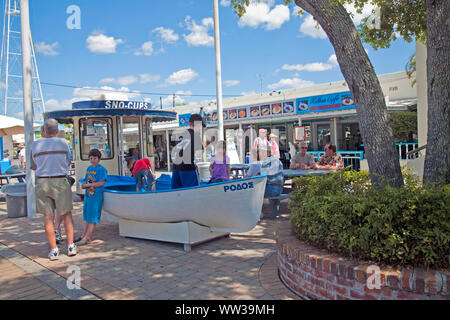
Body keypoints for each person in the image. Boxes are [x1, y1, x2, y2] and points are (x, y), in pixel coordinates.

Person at [30, 118, 77, 260]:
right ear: (57, 131)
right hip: (60, 181)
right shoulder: (64, 143)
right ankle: (70, 246)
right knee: (66, 214)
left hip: (43, 182)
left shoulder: (35, 145)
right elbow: (68, 162)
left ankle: (54, 250)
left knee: (47, 217)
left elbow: (34, 165)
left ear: (43, 130)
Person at [75, 149, 107, 245]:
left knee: (93, 217)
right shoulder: (89, 169)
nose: (93, 160)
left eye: (95, 158)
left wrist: (88, 185)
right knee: (88, 216)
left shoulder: (101, 169)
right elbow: (87, 180)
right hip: (89, 196)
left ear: (99, 159)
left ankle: (87, 237)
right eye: (91, 158)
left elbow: (102, 182)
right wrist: (85, 184)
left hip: (96, 197)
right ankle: (83, 235)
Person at [171, 113, 205, 189]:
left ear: (190, 123)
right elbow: (200, 153)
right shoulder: (196, 136)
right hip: (188, 168)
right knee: (193, 192)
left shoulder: (182, 134)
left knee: (176, 193)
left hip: (176, 167)